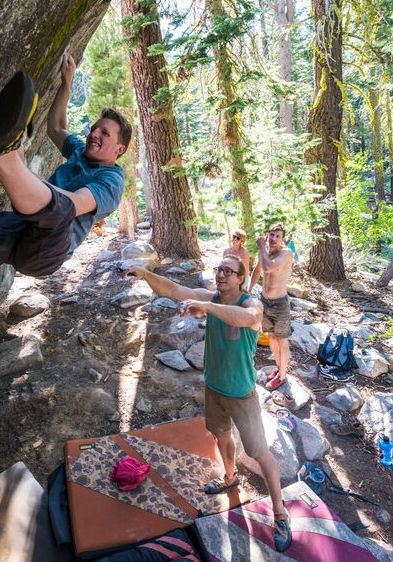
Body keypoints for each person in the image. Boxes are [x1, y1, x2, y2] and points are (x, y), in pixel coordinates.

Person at [0, 53, 131, 376]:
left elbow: (73, 204)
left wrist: (27, 179)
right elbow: (57, 126)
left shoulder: (111, 180)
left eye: (105, 134)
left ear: (119, 150)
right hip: (19, 225)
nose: (95, 135)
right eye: (95, 128)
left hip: (46, 250)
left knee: (59, 211)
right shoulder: (78, 152)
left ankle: (3, 154)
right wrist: (67, 82)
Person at [124, 256, 293, 552]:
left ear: (240, 278)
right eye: (219, 270)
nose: (222, 275)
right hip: (214, 388)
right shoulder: (211, 297)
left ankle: (280, 512)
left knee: (259, 452)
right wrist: (145, 274)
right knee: (221, 434)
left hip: (241, 393)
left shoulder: (249, 303)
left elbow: (249, 320)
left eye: (229, 271)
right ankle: (230, 477)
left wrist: (207, 308)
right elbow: (174, 289)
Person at [249, 224, 294, 392]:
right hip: (265, 301)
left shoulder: (286, 253)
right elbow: (258, 270)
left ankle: (282, 376)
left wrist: (261, 245)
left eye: (278, 236)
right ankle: (278, 368)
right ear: (267, 235)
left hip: (280, 303)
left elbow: (268, 267)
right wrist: (248, 289)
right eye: (272, 235)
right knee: (272, 337)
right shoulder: (266, 251)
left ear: (282, 239)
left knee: (282, 340)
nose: (274, 238)